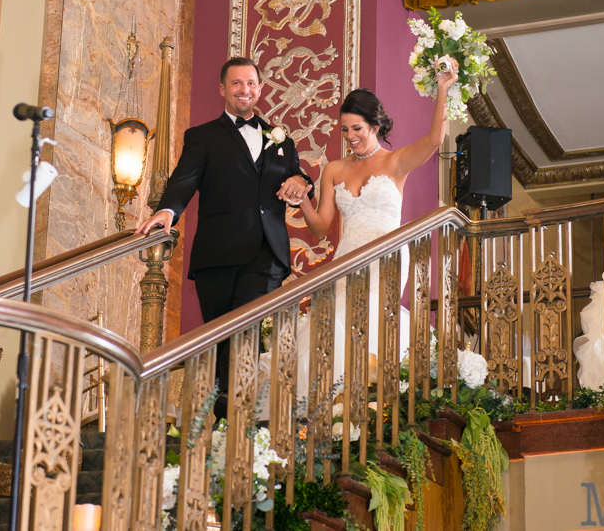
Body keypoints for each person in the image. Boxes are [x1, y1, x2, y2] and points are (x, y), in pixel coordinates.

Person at [135, 57, 313, 418]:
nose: (244, 90)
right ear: (223, 89)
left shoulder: (282, 139)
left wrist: (303, 181)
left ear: (260, 89)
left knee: (244, 328)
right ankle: (224, 418)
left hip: (266, 253)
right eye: (236, 84)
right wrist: (168, 211)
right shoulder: (202, 137)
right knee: (220, 336)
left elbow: (298, 177)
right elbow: (185, 179)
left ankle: (238, 415)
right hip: (217, 253)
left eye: (251, 84)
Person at [286, 62, 457, 399]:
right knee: (340, 324)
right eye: (345, 130)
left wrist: (442, 90)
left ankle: (380, 399)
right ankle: (338, 404)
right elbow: (320, 229)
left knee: (378, 319)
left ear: (375, 126)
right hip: (347, 257)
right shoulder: (333, 169)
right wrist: (303, 200)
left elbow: (435, 139)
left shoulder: (396, 163)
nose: (350, 138)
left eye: (357, 129)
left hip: (388, 258)